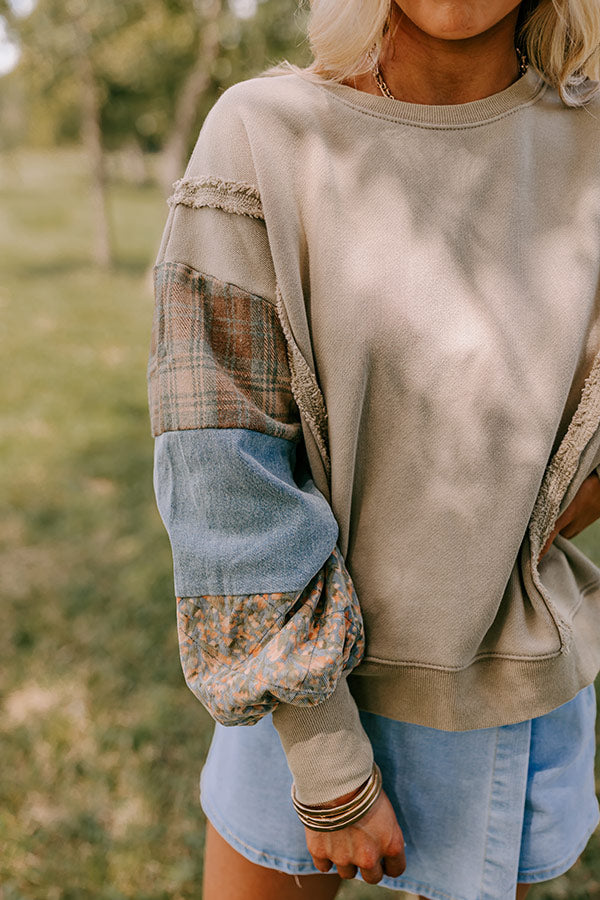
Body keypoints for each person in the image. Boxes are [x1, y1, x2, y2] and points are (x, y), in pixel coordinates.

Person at [147, 1, 600, 897]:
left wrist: (559, 498)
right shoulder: (262, 136)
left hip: (496, 695)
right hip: (296, 707)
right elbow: (220, 470)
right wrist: (327, 763)